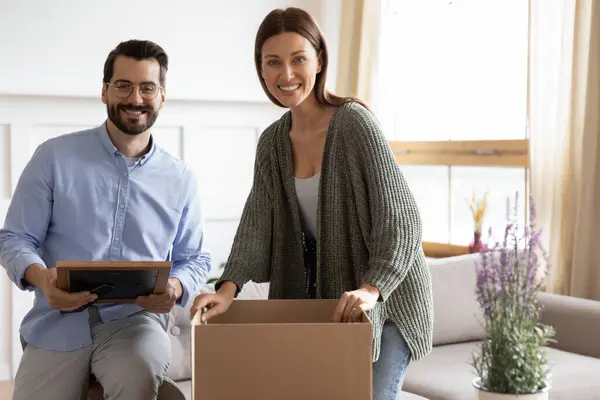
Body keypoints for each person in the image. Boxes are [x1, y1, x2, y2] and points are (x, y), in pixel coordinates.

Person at [190, 7, 433, 400]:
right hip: (332, 304)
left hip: (388, 301)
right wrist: (227, 289)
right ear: (262, 70)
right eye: (274, 62)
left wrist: (372, 289)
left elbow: (402, 220)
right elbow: (258, 223)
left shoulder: (355, 124)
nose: (286, 75)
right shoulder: (272, 143)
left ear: (319, 60)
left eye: (298, 59)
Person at [0, 39, 211, 400]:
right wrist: (42, 279)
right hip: (57, 324)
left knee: (139, 375)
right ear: (104, 91)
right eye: (123, 85)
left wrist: (175, 288)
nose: (136, 98)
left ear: (162, 96)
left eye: (147, 87)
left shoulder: (181, 179)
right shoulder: (53, 157)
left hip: (136, 324)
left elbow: (195, 258)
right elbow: (15, 238)